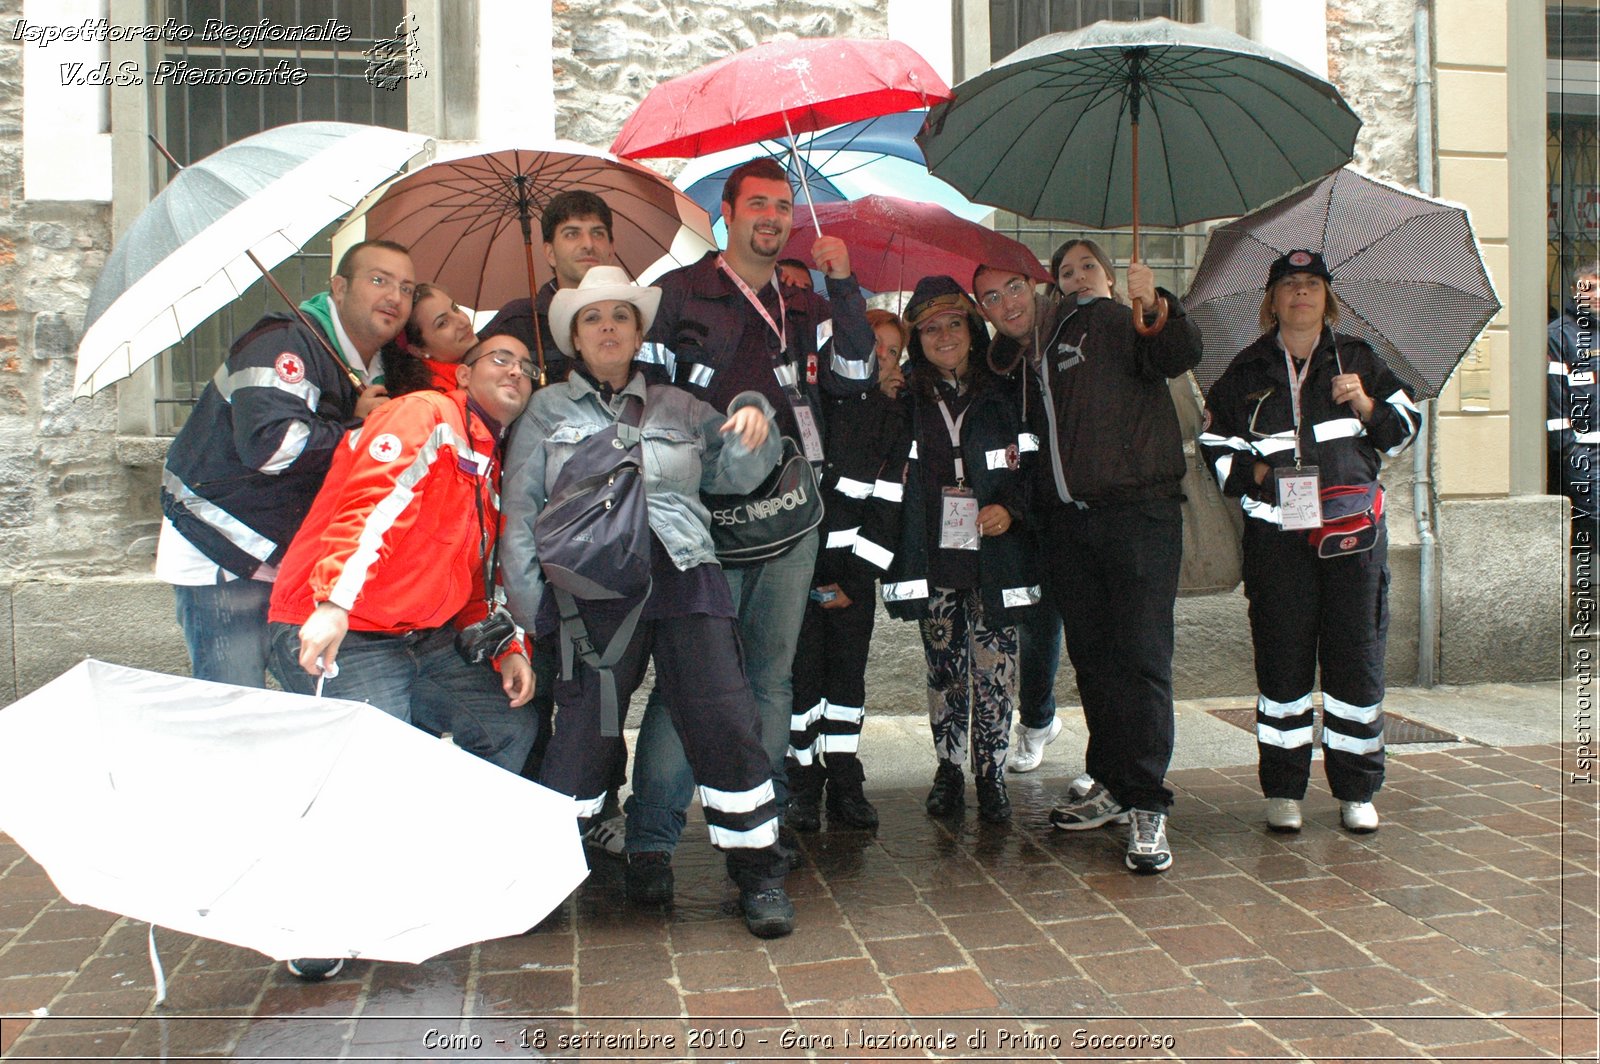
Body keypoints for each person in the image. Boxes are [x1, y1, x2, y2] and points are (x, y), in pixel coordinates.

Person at [498, 266, 796, 938]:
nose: (608, 327)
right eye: (593, 318)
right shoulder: (546, 410)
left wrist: (753, 415)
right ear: (576, 336)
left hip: (686, 574)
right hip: (590, 593)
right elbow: (520, 513)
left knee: (725, 720)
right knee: (581, 736)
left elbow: (742, 471)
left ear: (638, 333)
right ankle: (545, 874)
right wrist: (530, 614)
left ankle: (759, 873)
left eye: (621, 317)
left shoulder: (678, 406)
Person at [624, 157, 876, 902]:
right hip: (703, 524)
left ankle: (756, 829)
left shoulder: (802, 300)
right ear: (727, 213)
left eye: (782, 206)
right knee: (691, 683)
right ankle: (650, 844)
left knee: (770, 681)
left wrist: (844, 288)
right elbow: (645, 403)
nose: (772, 217)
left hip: (789, 521)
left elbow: (856, 378)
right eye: (757, 204)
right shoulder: (677, 294)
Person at [265, 333, 540, 981]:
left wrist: (505, 647)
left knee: (508, 724)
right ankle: (316, 917)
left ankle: (440, 870)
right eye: (501, 358)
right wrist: (332, 601)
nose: (518, 371)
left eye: (529, 367)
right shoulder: (428, 416)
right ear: (464, 374)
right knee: (365, 761)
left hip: (418, 636)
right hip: (339, 623)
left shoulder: (487, 459)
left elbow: (475, 575)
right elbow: (374, 501)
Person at [979, 238, 1202, 875]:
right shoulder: (1022, 359)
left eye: (1084, 269)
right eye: (991, 297)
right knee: (1095, 661)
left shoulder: (1108, 319)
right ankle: (1110, 780)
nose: (1006, 301)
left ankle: (1148, 801)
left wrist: (1153, 303)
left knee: (1141, 659)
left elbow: (1176, 353)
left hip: (1136, 515)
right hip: (1067, 527)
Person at [1200, 250, 1419, 835]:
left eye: (1311, 285)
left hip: (1354, 541)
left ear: (1327, 297)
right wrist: (1262, 477)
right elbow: (1214, 450)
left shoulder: (1360, 360)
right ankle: (1284, 789)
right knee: (1282, 662)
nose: (1301, 294)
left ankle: (1356, 789)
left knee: (1356, 664)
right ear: (1271, 301)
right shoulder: (1245, 371)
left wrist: (1367, 404)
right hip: (1278, 541)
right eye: (1290, 286)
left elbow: (1404, 432)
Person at [157, 240, 410, 688]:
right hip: (225, 544)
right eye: (378, 280)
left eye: (406, 288)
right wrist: (361, 429)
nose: (394, 296)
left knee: (321, 697)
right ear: (339, 287)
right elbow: (273, 447)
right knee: (234, 702)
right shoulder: (284, 341)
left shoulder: (376, 362)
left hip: (288, 556)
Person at [879, 276, 1038, 824]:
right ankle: (948, 770)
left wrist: (1012, 510)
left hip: (996, 557)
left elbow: (1035, 462)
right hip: (934, 558)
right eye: (929, 328)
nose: (943, 336)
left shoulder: (1006, 390)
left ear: (972, 328)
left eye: (953, 324)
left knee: (996, 670)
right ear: (916, 337)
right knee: (944, 670)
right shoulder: (902, 397)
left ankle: (990, 774)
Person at [784, 310, 907, 832]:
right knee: (800, 687)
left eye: (892, 351)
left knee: (847, 686)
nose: (880, 357)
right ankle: (802, 784)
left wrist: (856, 583)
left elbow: (890, 504)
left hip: (851, 585)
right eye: (872, 345)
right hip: (798, 581)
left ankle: (845, 778)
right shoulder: (811, 406)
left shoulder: (895, 419)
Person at [481, 190, 617, 385]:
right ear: (550, 252)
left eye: (597, 233)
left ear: (612, 249)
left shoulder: (633, 318)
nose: (588, 244)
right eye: (572, 234)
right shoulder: (519, 322)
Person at [1549, 262, 1600, 578]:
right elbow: (1556, 406)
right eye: (1588, 288)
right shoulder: (1559, 336)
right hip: (1585, 453)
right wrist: (1571, 452)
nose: (1595, 295)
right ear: (1574, 292)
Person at [384, 282, 478, 396]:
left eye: (455, 308)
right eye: (443, 323)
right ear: (419, 350)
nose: (463, 322)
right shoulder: (435, 397)